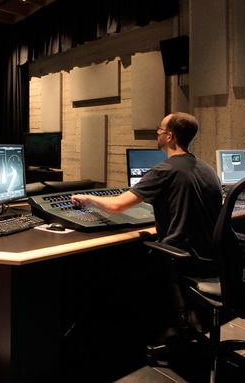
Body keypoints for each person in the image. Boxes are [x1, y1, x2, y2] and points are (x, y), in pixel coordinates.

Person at [71, 112, 222, 340]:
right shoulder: (207, 169)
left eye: (159, 130)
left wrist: (88, 198)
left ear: (170, 136)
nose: (157, 133)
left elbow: (116, 206)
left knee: (118, 263)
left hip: (181, 258)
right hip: (211, 258)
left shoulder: (166, 170)